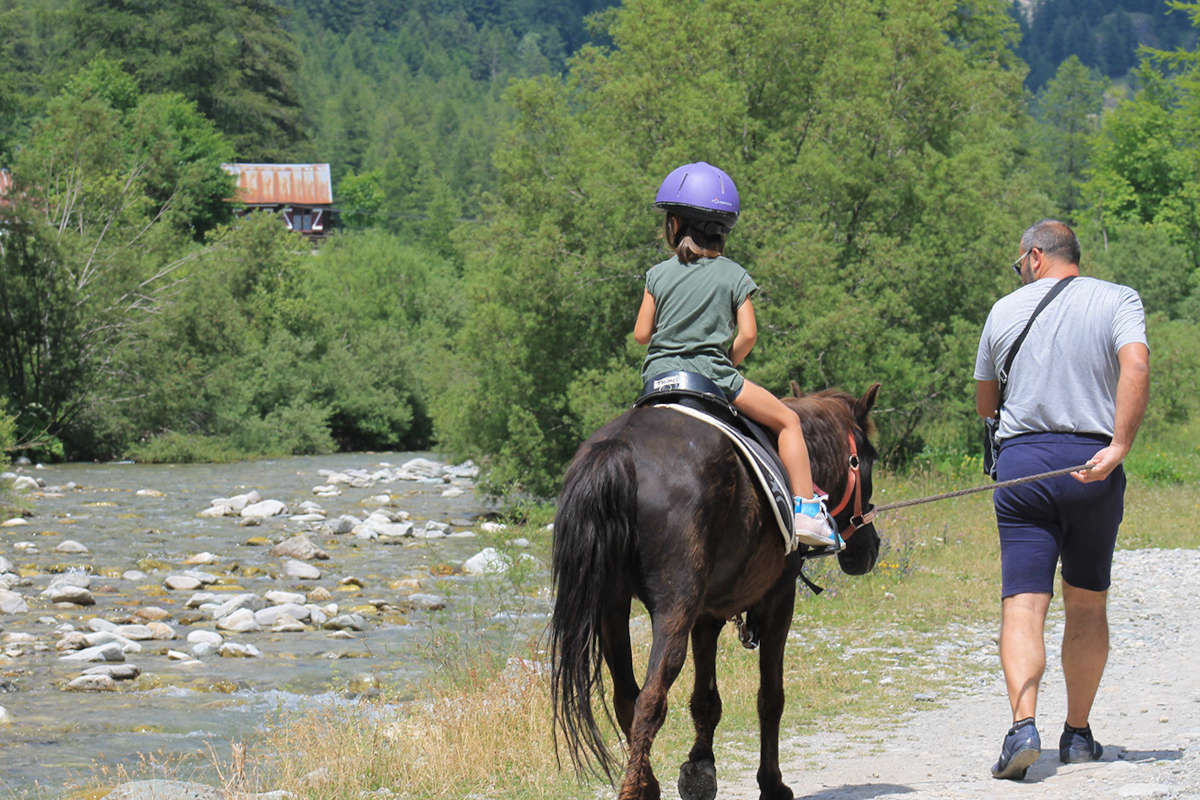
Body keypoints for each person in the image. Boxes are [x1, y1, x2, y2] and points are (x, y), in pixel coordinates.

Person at [974, 219, 1149, 780]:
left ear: (1034, 257)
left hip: (1023, 466)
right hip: (1093, 465)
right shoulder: (1119, 299)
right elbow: (1136, 364)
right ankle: (1076, 735)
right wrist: (1119, 444)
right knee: (1087, 601)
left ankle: (1023, 726)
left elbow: (985, 402)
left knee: (1024, 604)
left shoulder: (1005, 310)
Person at [634, 161, 839, 548]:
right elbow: (748, 334)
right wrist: (728, 359)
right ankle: (807, 511)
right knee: (789, 421)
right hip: (712, 376)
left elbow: (642, 333)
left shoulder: (657, 274)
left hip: (658, 380)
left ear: (675, 225)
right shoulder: (733, 274)